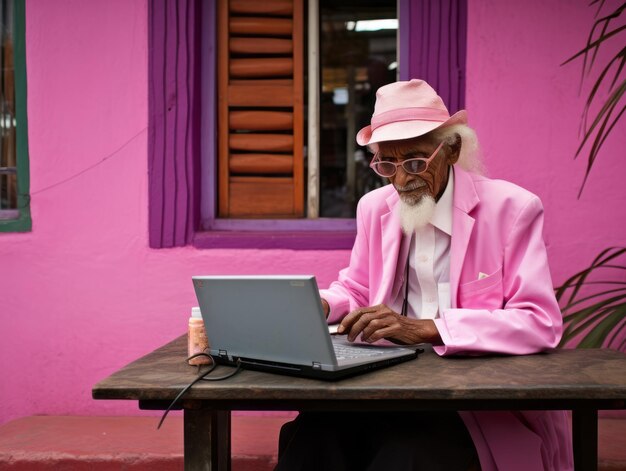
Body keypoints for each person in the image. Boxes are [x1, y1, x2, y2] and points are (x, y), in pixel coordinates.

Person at [275, 80, 573, 471]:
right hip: (384, 387)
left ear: (451, 150)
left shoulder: (513, 209)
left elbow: (539, 322)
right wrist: (325, 304)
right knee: (312, 439)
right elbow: (359, 287)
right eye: (387, 164)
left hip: (470, 404)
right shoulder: (373, 207)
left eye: (415, 162)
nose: (400, 181)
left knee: (409, 455)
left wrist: (426, 329)